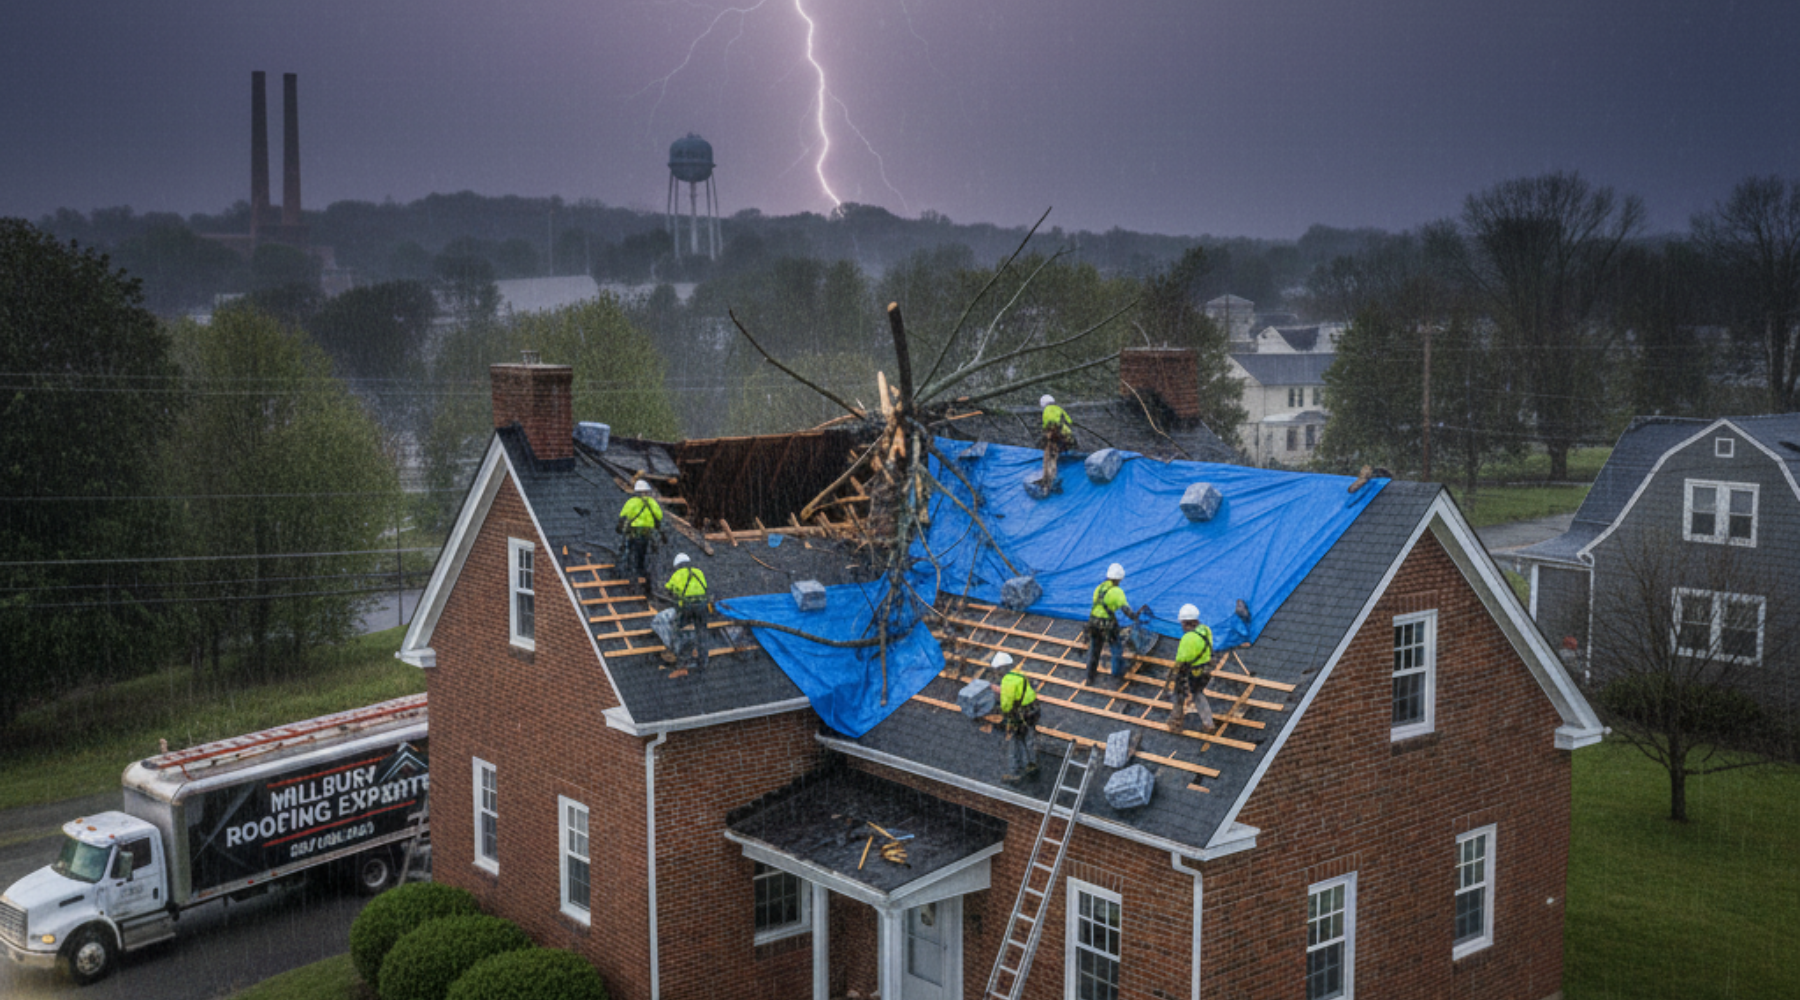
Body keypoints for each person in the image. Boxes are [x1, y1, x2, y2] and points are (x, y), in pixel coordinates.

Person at [1086, 563, 1140, 685]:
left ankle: (1090, 676)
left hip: (1093, 621)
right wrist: (1135, 618)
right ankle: (1116, 673)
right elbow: (1126, 610)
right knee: (1116, 646)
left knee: (1094, 648)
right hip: (1107, 623)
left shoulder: (1099, 588)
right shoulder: (1117, 592)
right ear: (1119, 579)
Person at [1168, 603, 1216, 729]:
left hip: (1192, 672)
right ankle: (1208, 723)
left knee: (1179, 695)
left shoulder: (1188, 639)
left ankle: (1175, 723)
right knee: (1198, 694)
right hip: (1206, 670)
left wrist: (1172, 677)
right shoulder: (1206, 630)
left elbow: (1180, 662)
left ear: (1185, 622)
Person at [995, 653, 1039, 782]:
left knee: (1015, 741)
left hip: (1021, 715)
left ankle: (1015, 772)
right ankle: (1032, 764)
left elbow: (1007, 705)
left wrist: (1006, 715)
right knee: (1029, 738)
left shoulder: (1007, 680)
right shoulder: (1020, 674)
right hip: (1032, 711)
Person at [617, 479, 664, 595]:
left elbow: (623, 516)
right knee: (641, 554)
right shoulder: (652, 503)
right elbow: (659, 517)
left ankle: (626, 571)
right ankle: (640, 570)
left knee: (628, 549)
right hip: (646, 534)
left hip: (633, 532)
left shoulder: (632, 502)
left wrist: (619, 528)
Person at [664, 553, 709, 667]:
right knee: (701, 631)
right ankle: (703, 660)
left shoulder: (677, 575)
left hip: (688, 606)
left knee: (676, 627)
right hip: (702, 605)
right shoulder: (699, 572)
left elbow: (668, 589)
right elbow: (705, 588)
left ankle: (676, 654)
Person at [1039, 394, 1074, 488]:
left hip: (1057, 435)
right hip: (1068, 437)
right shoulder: (1060, 409)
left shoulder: (1047, 411)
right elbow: (1070, 422)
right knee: (1055, 453)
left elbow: (1048, 426)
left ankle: (1050, 480)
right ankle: (1052, 478)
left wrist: (1046, 436)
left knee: (1049, 457)